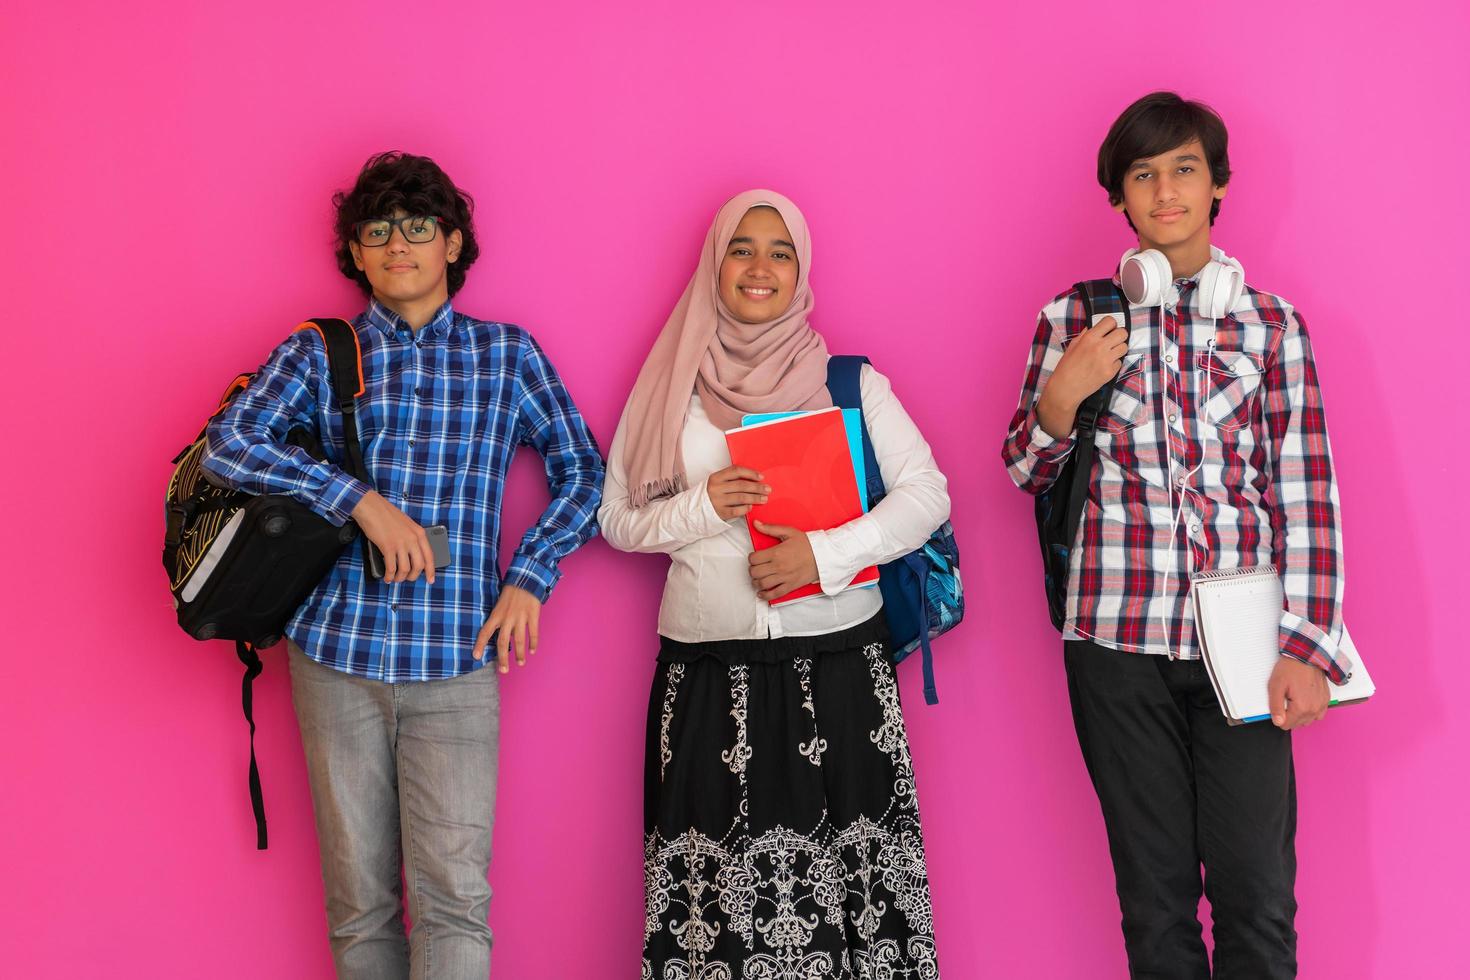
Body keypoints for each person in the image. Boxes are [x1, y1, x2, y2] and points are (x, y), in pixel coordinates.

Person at [204, 151, 604, 977]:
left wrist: (531, 576)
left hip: (457, 660)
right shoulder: (322, 352)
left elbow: (584, 472)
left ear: (453, 242)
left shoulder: (506, 356)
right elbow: (230, 443)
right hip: (334, 655)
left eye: (418, 227)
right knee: (361, 912)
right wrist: (359, 500)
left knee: (455, 902)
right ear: (354, 253)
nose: (398, 245)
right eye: (376, 230)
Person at [1001, 93, 1352, 978]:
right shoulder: (1074, 320)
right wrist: (1060, 397)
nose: (1164, 190)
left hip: (1240, 645)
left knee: (1258, 898)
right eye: (1144, 174)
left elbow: (1307, 492)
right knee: (1154, 906)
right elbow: (1024, 470)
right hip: (1112, 644)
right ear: (1119, 196)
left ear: (1218, 184)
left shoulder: (1272, 326)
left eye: (1183, 169)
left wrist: (1307, 646)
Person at [600, 189, 948, 979]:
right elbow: (616, 517)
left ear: (801, 271)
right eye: (742, 249)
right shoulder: (668, 388)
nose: (760, 268)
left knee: (855, 897)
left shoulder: (848, 381)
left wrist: (821, 558)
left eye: (780, 251)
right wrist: (699, 505)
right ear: (715, 262)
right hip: (704, 674)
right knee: (710, 909)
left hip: (839, 672)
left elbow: (927, 495)